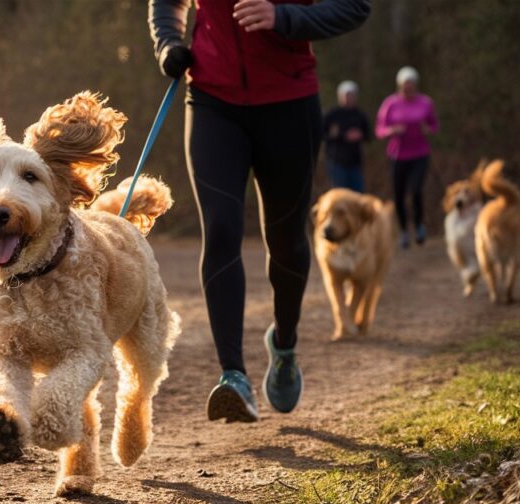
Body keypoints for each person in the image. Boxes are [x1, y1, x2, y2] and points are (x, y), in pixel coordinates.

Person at [150, 0, 370, 423]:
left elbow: (355, 7)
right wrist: (169, 44)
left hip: (289, 103)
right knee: (221, 228)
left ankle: (284, 345)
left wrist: (283, 17)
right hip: (212, 100)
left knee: (286, 240)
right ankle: (233, 375)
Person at [376, 66, 439, 249]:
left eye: (411, 84)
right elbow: (379, 130)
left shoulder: (426, 103)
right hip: (397, 155)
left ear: (416, 85)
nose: (408, 88)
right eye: (405, 85)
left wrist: (428, 130)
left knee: (417, 190)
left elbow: (434, 125)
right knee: (399, 194)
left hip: (420, 154)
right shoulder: (390, 104)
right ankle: (404, 230)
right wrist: (392, 130)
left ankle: (419, 225)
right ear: (400, 85)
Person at [323, 80, 371, 192]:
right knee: (341, 195)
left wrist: (360, 135)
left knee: (358, 195)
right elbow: (323, 135)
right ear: (340, 96)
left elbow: (368, 136)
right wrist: (342, 136)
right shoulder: (332, 114)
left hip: (355, 163)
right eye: (346, 95)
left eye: (351, 95)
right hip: (336, 162)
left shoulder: (360, 114)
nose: (349, 98)